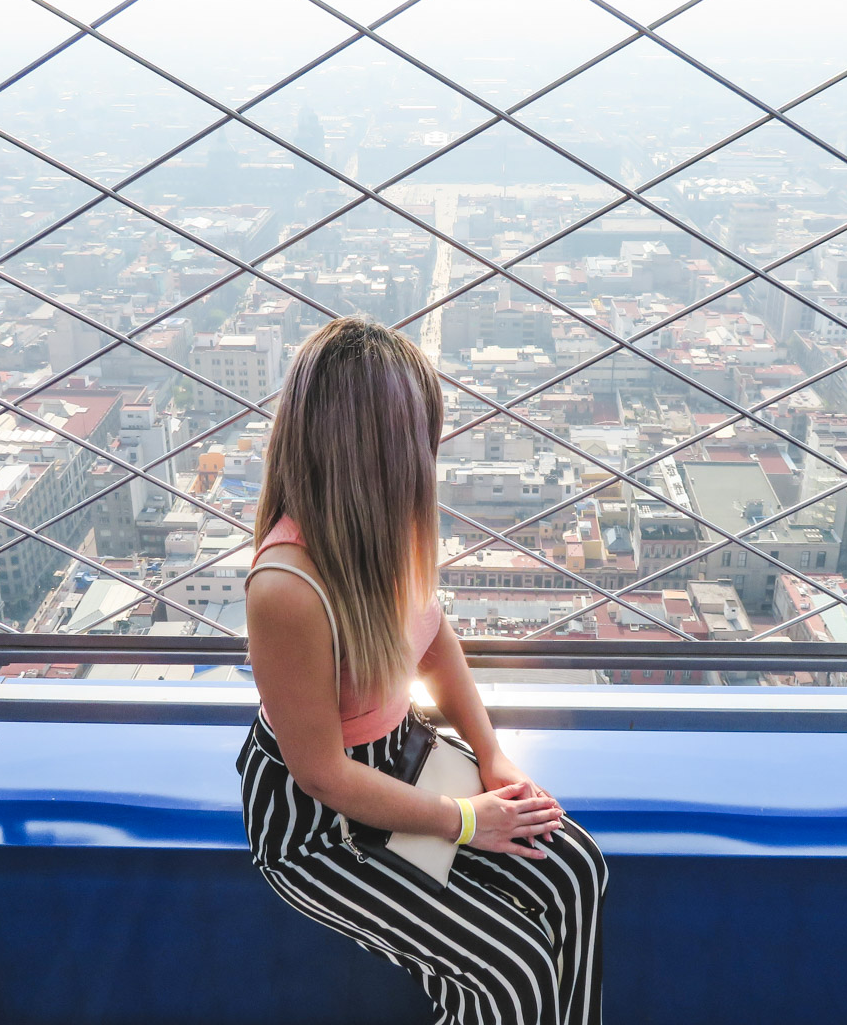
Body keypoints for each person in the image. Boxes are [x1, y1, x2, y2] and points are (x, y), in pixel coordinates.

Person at [236, 315, 608, 1024]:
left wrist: (491, 753)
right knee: (509, 967)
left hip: (399, 759)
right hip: (316, 821)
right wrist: (466, 820)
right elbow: (321, 772)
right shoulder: (286, 587)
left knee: (578, 871)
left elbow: (432, 637)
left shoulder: (386, 529)